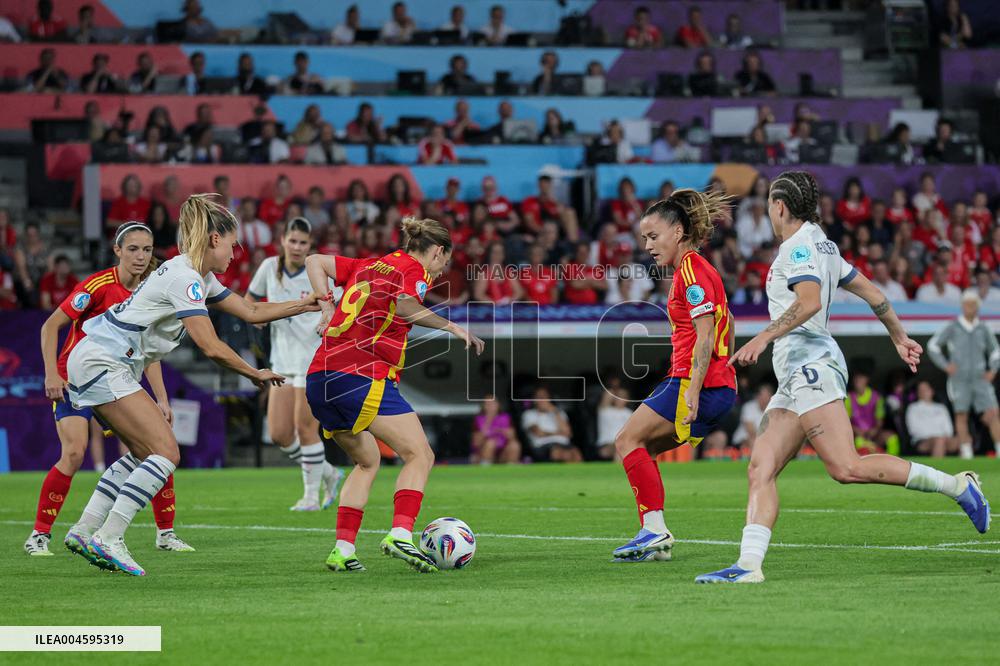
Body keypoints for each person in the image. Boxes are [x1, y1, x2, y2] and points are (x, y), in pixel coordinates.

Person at [696, 171, 990, 585]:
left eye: (769, 204)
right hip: (795, 373)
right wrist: (899, 335)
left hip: (810, 363)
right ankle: (748, 566)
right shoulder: (823, 242)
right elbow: (874, 293)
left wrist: (762, 336)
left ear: (779, 206)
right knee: (760, 467)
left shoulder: (798, 247)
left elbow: (810, 302)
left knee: (846, 467)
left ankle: (958, 486)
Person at [62, 196, 320, 576]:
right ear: (214, 239)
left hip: (100, 358)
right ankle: (110, 536)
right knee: (167, 452)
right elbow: (211, 346)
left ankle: (85, 530)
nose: (235, 253)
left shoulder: (196, 275)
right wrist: (255, 373)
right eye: (233, 244)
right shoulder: (186, 279)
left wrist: (305, 304)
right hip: (105, 360)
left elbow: (250, 311)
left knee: (140, 452)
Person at [305, 217, 485, 573]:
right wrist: (451, 326)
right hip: (361, 374)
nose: (440, 270)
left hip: (320, 377)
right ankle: (401, 534)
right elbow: (403, 304)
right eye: (444, 262)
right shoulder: (411, 270)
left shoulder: (369, 263)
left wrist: (327, 304)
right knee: (420, 454)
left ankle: (342, 549)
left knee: (367, 461)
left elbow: (314, 261)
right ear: (436, 252)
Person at [24, 224, 194, 557]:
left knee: (154, 447)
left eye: (146, 250)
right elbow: (50, 326)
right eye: (133, 249)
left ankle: (166, 533)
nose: (141, 256)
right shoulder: (98, 286)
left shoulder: (150, 290)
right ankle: (39, 536)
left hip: (116, 382)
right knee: (74, 452)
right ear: (117, 251)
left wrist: (161, 398)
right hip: (74, 379)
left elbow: (149, 351)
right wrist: (50, 375)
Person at [611, 190, 737, 563]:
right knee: (641, 449)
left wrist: (694, 390)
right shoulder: (696, 270)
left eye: (653, 237)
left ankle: (655, 530)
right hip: (715, 385)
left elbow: (706, 336)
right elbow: (725, 324)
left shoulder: (692, 271)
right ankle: (654, 538)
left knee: (626, 440)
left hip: (696, 382)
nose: (647, 246)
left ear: (679, 231)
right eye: (643, 239)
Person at [247, 217, 343, 510]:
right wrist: (257, 315)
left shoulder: (317, 271)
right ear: (283, 240)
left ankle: (311, 496)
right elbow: (248, 301)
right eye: (293, 241)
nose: (298, 247)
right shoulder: (268, 268)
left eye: (303, 242)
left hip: (313, 360)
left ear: (310, 245)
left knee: (305, 427)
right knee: (278, 434)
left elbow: (342, 303)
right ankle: (327, 471)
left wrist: (329, 319)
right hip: (282, 360)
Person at [928, 291, 1000, 459]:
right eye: (967, 304)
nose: (971, 308)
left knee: (992, 413)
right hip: (959, 379)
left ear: (978, 307)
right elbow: (933, 346)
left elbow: (996, 350)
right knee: (961, 414)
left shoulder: (983, 328)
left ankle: (998, 450)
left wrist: (993, 369)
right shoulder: (952, 326)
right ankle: (966, 453)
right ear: (962, 306)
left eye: (974, 304)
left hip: (981, 378)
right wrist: (945, 365)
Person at [522, 387, 581, 462]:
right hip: (544, 445)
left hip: (564, 443)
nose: (542, 400)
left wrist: (555, 412)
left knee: (576, 452)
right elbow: (538, 433)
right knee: (559, 453)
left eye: (544, 397)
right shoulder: (529, 414)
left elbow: (568, 433)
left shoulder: (559, 413)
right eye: (539, 397)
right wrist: (559, 433)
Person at [906, 380, 957, 458]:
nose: (924, 392)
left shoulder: (941, 407)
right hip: (922, 441)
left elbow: (948, 428)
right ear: (918, 393)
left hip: (945, 439)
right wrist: (936, 437)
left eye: (926, 389)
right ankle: (937, 468)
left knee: (964, 440)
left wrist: (945, 437)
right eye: (921, 390)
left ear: (932, 391)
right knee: (939, 441)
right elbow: (913, 430)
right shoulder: (913, 408)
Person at [471, 394, 521, 464]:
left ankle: (511, 468)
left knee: (515, 445)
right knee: (491, 443)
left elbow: (512, 437)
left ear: (498, 405)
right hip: (484, 453)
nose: (490, 406)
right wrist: (488, 420)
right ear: (483, 406)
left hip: (502, 452)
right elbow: (476, 443)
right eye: (487, 404)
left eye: (492, 403)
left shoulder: (505, 417)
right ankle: (486, 468)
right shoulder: (479, 419)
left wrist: (501, 430)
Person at [846, 371, 886, 454]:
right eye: (856, 378)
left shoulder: (877, 397)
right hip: (856, 434)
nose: (857, 381)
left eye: (861, 378)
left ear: (867, 380)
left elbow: (879, 420)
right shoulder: (848, 397)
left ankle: (893, 463)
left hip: (874, 433)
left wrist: (874, 430)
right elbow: (846, 421)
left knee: (892, 438)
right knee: (860, 442)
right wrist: (857, 430)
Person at [596, 380, 634, 460]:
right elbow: (607, 396)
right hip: (607, 444)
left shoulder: (629, 413)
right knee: (619, 449)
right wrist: (614, 387)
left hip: (624, 443)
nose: (619, 398)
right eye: (618, 396)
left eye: (622, 396)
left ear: (627, 399)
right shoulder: (606, 411)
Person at [732, 385, 773, 457]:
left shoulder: (774, 410)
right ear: (757, 396)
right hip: (743, 440)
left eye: (767, 396)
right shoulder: (748, 406)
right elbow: (751, 431)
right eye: (762, 396)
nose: (764, 399)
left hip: (765, 440)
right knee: (754, 441)